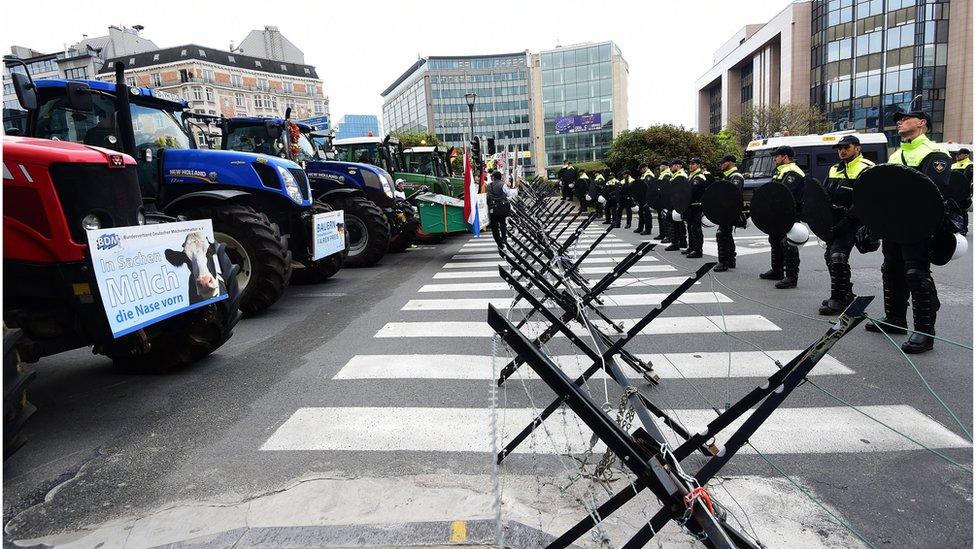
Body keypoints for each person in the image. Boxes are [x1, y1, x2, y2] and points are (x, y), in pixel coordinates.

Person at [865, 110, 953, 353]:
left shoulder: (935, 153)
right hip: (895, 224)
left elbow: (934, 192)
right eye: (898, 120)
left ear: (922, 123)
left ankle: (925, 333)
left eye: (905, 119)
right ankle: (895, 319)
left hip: (919, 224)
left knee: (916, 273)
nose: (900, 122)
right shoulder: (896, 155)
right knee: (891, 269)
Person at [818, 135, 875, 315]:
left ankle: (838, 300)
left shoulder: (866, 168)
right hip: (835, 221)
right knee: (830, 256)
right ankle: (845, 294)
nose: (842, 151)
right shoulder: (834, 168)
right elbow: (825, 193)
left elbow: (866, 199)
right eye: (839, 148)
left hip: (853, 221)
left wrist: (848, 221)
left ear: (857, 148)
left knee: (837, 256)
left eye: (846, 147)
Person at [759, 146, 805, 289]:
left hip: (789, 213)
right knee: (775, 239)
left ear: (785, 157)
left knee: (788, 243)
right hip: (778, 213)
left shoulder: (793, 172)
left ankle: (791, 277)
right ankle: (777, 270)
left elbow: (785, 193)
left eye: (777, 156)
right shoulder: (781, 171)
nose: (774, 159)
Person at [714, 154, 744, 272]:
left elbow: (732, 193)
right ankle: (730, 259)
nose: (721, 165)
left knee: (722, 234)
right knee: (726, 234)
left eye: (723, 162)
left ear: (730, 163)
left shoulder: (736, 177)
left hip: (730, 210)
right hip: (725, 210)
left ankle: (723, 262)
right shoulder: (727, 176)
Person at [683, 158, 710, 258]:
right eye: (690, 164)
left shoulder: (699, 177)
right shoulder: (692, 176)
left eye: (693, 164)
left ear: (698, 165)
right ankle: (691, 247)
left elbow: (692, 191)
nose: (691, 166)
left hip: (697, 206)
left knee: (696, 228)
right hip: (691, 206)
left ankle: (698, 250)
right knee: (690, 227)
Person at [487, 170, 518, 250]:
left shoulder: (488, 186)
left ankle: (499, 242)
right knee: (502, 224)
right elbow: (508, 194)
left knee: (494, 227)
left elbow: (488, 197)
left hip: (492, 209)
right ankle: (504, 238)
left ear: (493, 177)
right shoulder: (502, 184)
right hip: (501, 207)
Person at [663, 159, 688, 251]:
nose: (670, 167)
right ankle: (682, 242)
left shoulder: (681, 175)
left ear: (677, 166)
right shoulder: (677, 175)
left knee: (673, 222)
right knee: (678, 222)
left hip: (677, 202)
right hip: (677, 202)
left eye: (672, 166)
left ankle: (675, 243)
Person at [951, 147, 973, 235]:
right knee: (953, 209)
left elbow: (966, 179)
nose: (957, 156)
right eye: (957, 154)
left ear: (966, 155)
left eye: (960, 154)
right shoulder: (953, 165)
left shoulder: (970, 165)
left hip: (964, 191)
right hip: (953, 191)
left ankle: (964, 228)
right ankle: (955, 226)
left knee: (963, 209)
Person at [653, 163, 672, 241]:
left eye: (661, 166)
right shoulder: (662, 174)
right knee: (661, 218)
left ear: (665, 166)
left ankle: (668, 236)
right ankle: (662, 234)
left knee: (665, 218)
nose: (660, 167)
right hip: (661, 199)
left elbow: (665, 187)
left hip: (665, 200)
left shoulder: (667, 174)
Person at [637, 164, 654, 235]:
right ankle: (640, 228)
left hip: (647, 197)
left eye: (641, 169)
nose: (640, 171)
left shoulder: (649, 175)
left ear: (645, 168)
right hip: (642, 197)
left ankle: (648, 229)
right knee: (641, 212)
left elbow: (647, 187)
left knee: (646, 214)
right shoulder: (644, 175)